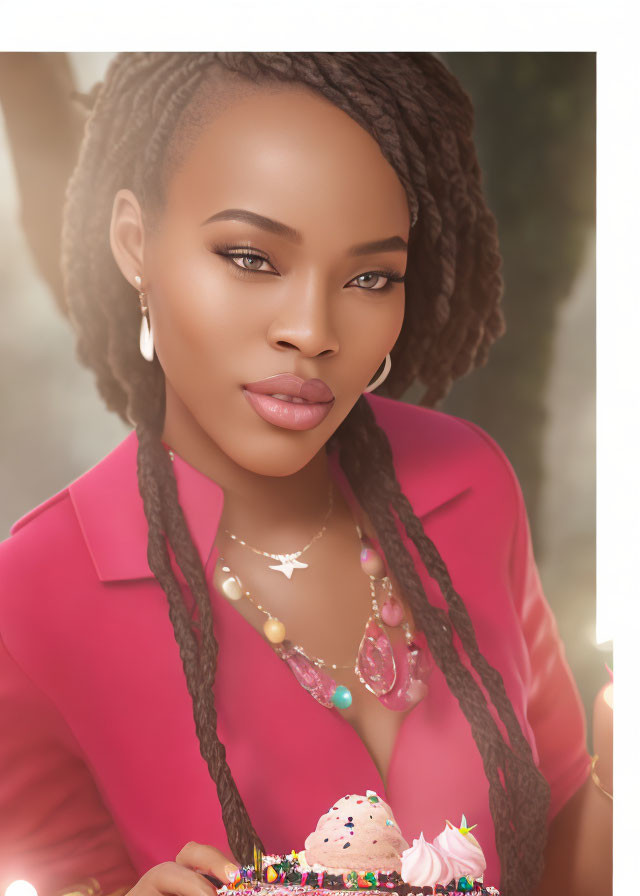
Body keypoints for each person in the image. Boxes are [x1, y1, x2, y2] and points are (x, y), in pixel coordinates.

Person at [0, 52, 610, 896]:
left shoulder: (470, 485)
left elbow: (565, 830)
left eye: (370, 276)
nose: (312, 329)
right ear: (136, 243)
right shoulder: (34, 594)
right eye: (251, 257)